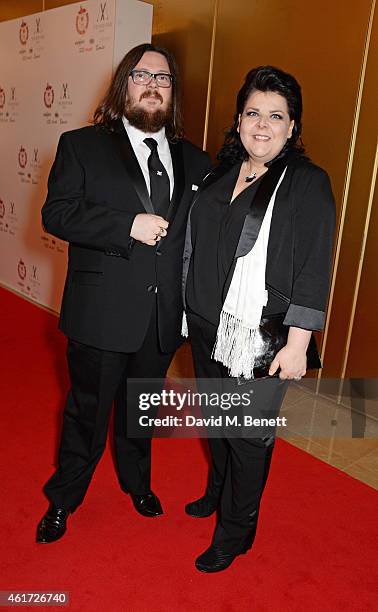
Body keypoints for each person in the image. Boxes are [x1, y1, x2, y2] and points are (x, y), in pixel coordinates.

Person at [37, 43, 210, 543]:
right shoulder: (82, 145)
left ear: (173, 94)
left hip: (161, 319)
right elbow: (57, 213)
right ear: (123, 85)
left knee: (143, 410)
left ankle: (137, 482)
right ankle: (63, 500)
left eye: (164, 79)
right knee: (87, 414)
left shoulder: (196, 161)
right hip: (101, 312)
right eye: (142, 75)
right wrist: (125, 224)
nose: (153, 85)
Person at [182, 65, 336, 572]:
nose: (263, 125)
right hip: (207, 325)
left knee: (247, 436)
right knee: (218, 422)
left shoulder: (307, 183)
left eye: (277, 115)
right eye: (253, 113)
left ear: (293, 126)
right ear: (239, 118)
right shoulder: (220, 172)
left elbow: (315, 265)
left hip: (261, 336)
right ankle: (219, 493)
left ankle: (237, 530)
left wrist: (297, 343)